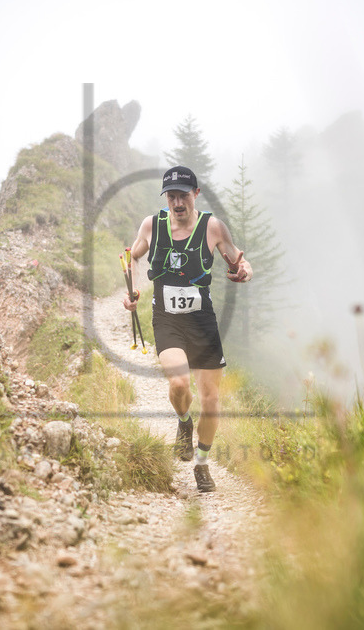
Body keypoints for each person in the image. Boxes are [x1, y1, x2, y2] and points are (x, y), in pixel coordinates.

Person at [123, 165, 252, 492]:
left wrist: (244, 271)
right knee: (180, 383)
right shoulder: (152, 225)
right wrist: (132, 290)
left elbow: (238, 260)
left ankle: (202, 463)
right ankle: (183, 422)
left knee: (210, 400)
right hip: (167, 319)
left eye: (183, 194)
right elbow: (132, 257)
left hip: (203, 322)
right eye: (171, 195)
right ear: (166, 197)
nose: (177, 202)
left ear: (195, 194)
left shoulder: (213, 228)